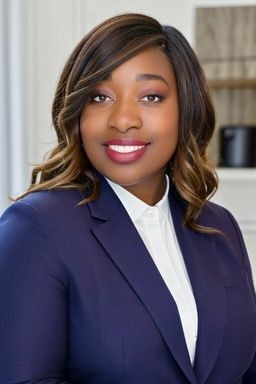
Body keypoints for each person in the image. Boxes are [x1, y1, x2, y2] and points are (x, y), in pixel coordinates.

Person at [0, 13, 255, 384]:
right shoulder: (37, 229)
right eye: (99, 97)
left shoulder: (218, 225)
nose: (122, 119)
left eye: (151, 97)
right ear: (77, 114)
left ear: (186, 109)